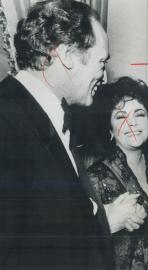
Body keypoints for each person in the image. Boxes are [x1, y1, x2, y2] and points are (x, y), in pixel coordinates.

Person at [0, 1, 111, 269]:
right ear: (67, 55)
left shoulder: (48, 116)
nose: (105, 77)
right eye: (101, 62)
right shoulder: (6, 123)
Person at [81, 77, 148, 269]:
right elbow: (80, 245)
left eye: (139, 114)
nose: (132, 123)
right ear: (109, 129)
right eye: (120, 117)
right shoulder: (97, 176)